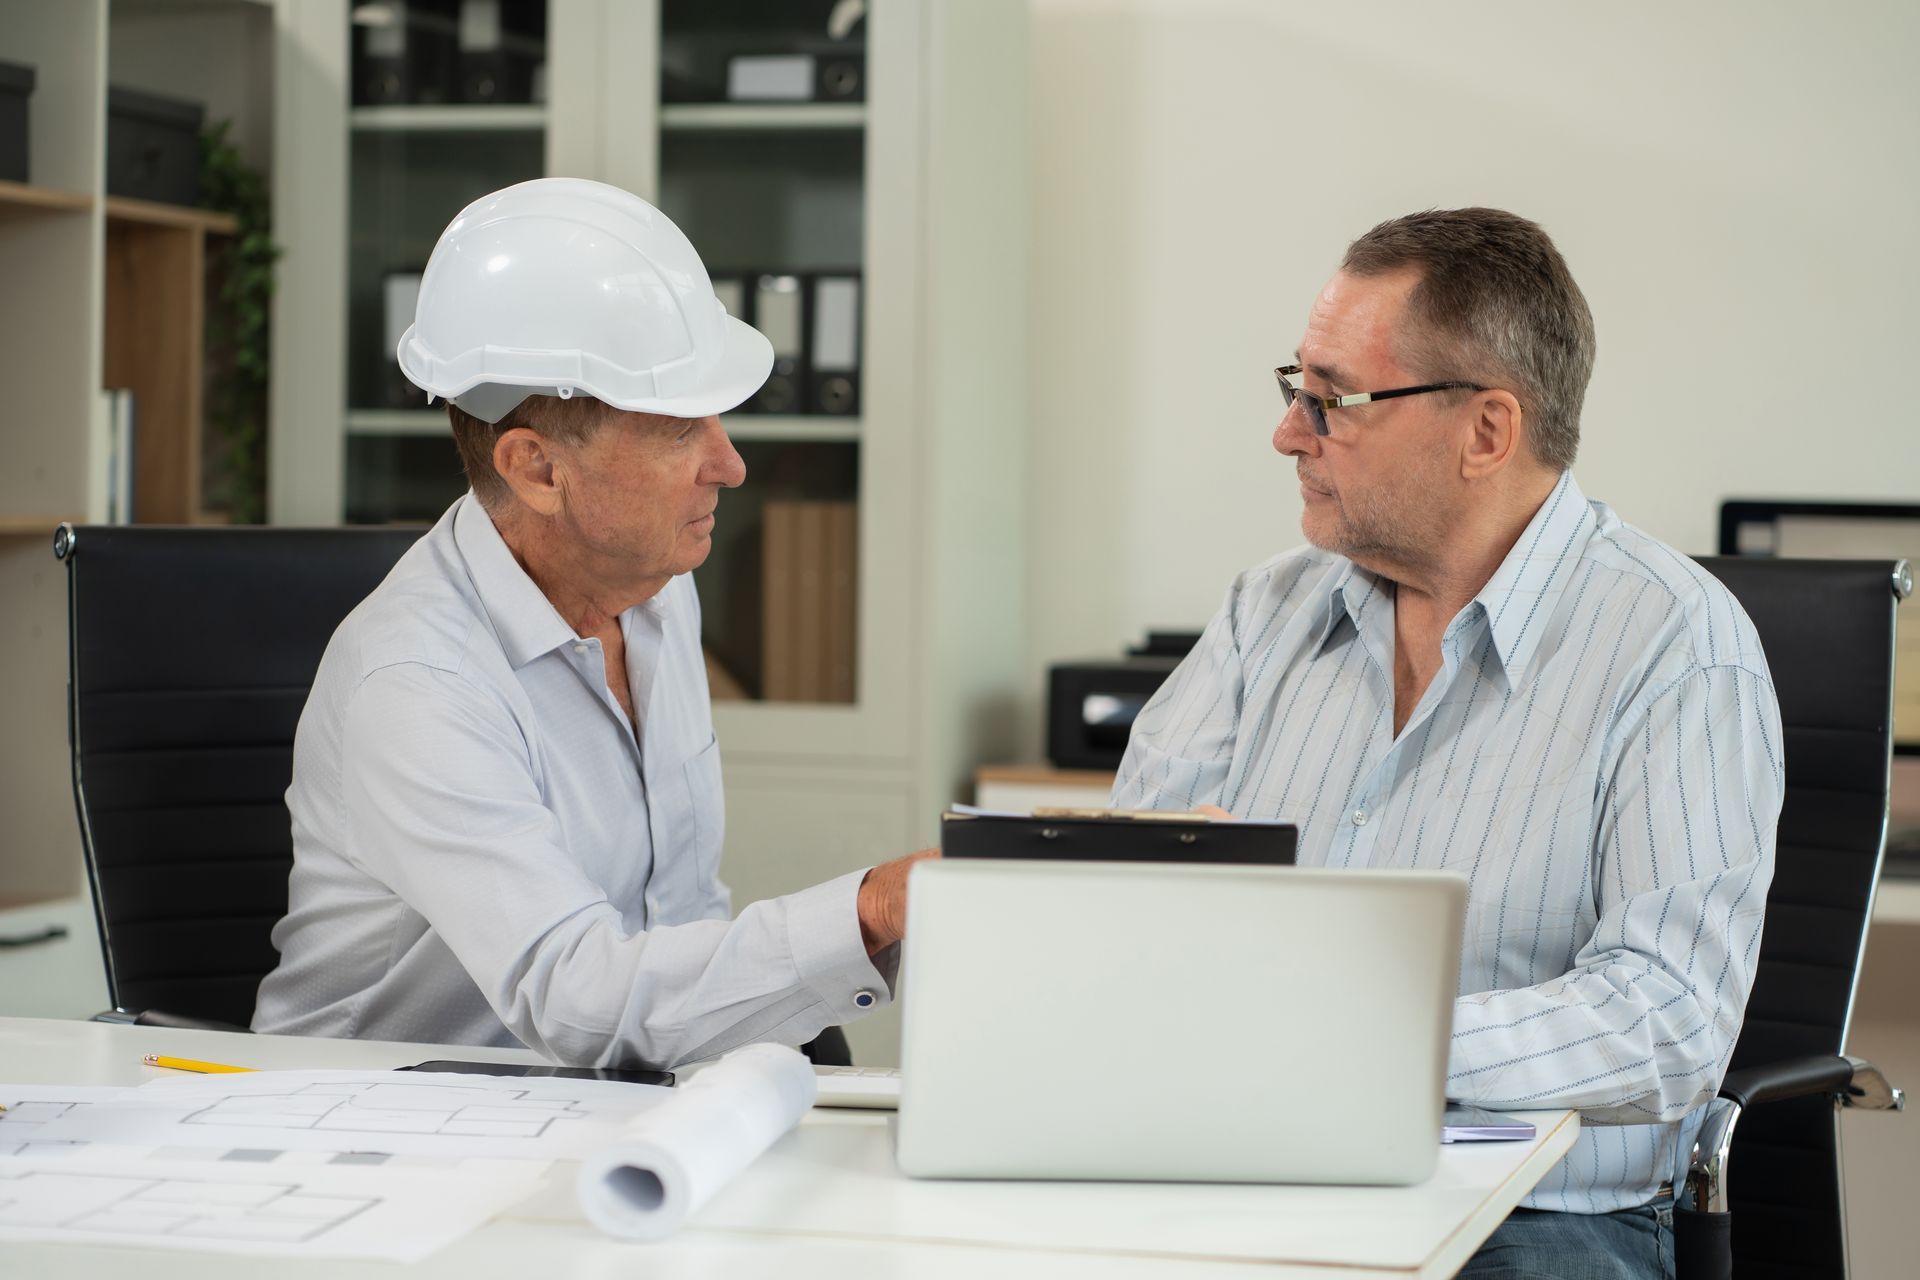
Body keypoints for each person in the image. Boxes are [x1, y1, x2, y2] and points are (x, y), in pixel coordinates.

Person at [1113, 208, 1781, 1279]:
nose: (1291, 432)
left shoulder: (1675, 645)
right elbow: (1117, 896)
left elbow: (1669, 1017)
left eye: (1332, 400)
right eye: (1295, 388)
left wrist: (1370, 1044)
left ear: (1486, 431)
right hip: (1244, 1178)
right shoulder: (1266, 612)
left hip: (1534, 1215)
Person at [255, 178, 932, 1067]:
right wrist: (871, 909)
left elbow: (679, 916)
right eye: (680, 429)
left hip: (593, 1102)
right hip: (381, 1130)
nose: (730, 464)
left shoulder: (655, 593)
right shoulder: (419, 684)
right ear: (535, 467)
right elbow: (572, 996)